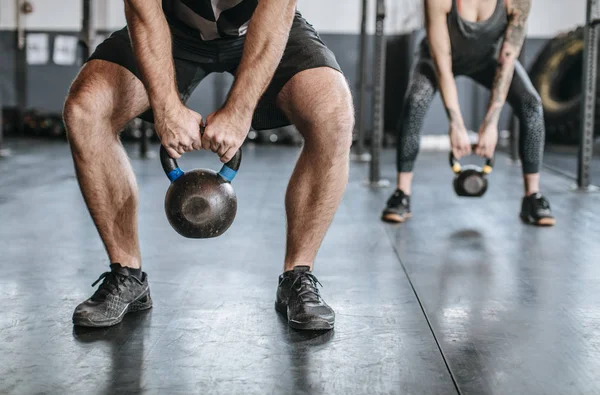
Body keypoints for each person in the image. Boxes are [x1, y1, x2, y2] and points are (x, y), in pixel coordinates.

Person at [63, 0, 354, 330]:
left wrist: (239, 113)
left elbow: (276, 15)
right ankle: (127, 274)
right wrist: (167, 109)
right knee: (86, 111)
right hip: (171, 26)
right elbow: (143, 14)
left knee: (334, 116)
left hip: (261, 27)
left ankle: (297, 277)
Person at [382, 0, 555, 226]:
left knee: (531, 103)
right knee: (415, 100)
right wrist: (456, 124)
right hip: (438, 59)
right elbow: (442, 65)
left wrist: (491, 123)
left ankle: (532, 196)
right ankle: (402, 193)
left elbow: (507, 61)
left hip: (489, 60)